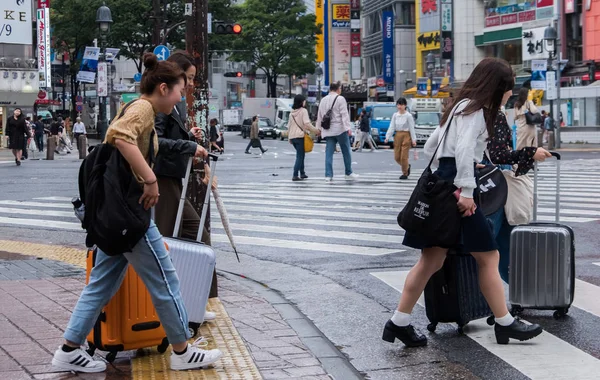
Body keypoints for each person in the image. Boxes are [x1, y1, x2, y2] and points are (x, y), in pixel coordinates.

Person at [51, 53, 222, 374]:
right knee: (166, 278)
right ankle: (182, 351)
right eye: (179, 90)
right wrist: (151, 178)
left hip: (116, 215)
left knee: (101, 284)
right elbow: (120, 138)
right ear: (162, 87)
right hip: (131, 215)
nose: (181, 97)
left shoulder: (138, 107)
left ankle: (68, 350)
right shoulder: (143, 108)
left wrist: (185, 148)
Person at [381, 57, 543, 348]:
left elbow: (433, 145)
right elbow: (465, 147)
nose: (510, 94)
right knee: (488, 256)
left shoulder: (460, 105)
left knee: (431, 259)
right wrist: (467, 190)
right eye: (508, 89)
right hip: (459, 190)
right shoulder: (478, 111)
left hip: (445, 180)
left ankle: (398, 322)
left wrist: (466, 164)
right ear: (497, 88)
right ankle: (505, 323)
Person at [153, 51, 218, 322]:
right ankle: (172, 310)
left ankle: (194, 300)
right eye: (188, 79)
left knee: (196, 237)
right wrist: (189, 144)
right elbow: (154, 142)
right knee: (165, 246)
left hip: (171, 179)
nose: (190, 86)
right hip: (161, 181)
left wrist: (189, 137)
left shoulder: (176, 104)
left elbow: (167, 138)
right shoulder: (159, 104)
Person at [486, 92, 552, 283]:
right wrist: (530, 154)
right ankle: (513, 292)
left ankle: (521, 288)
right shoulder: (491, 113)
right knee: (492, 242)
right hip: (494, 181)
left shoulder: (487, 110)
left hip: (492, 179)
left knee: (504, 239)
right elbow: (498, 153)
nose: (509, 92)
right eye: (507, 87)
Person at [316, 82, 357, 182]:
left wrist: (318, 129)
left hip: (328, 130)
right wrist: (348, 128)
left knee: (328, 153)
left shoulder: (323, 100)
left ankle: (328, 175)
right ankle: (348, 172)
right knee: (346, 151)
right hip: (340, 129)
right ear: (338, 89)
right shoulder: (340, 99)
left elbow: (320, 116)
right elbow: (344, 115)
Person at [288, 94, 318, 181]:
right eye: (304, 100)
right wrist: (316, 131)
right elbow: (307, 124)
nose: (305, 102)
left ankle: (302, 173)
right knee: (300, 156)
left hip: (293, 137)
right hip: (300, 136)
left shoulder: (291, 113)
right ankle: (295, 174)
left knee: (301, 155)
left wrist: (289, 138)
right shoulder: (303, 111)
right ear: (301, 102)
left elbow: (289, 126)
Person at [385, 98, 417, 180]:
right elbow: (392, 126)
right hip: (397, 135)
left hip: (406, 135)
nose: (399, 106)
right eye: (398, 105)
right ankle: (407, 166)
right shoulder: (395, 115)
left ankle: (405, 173)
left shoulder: (408, 116)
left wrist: (414, 140)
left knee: (404, 156)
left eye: (401, 105)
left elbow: (411, 128)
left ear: (405, 105)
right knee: (397, 157)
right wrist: (387, 137)